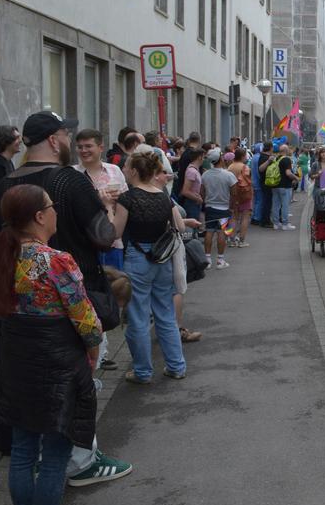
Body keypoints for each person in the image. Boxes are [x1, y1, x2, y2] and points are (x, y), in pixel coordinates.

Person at [0, 111, 133, 488]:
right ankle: (82, 461)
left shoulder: (6, 182)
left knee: (35, 385)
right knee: (79, 383)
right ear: (54, 140)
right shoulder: (69, 180)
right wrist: (116, 207)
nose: (70, 141)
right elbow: (104, 236)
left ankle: (41, 459)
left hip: (20, 305)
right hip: (71, 297)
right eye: (66, 135)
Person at [0, 185, 99, 505]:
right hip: (56, 363)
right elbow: (84, 315)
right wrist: (93, 348)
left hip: (18, 362)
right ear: (39, 216)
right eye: (51, 207)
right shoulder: (56, 260)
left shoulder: (5, 255)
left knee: (23, 450)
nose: (54, 213)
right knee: (55, 450)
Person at [112, 151, 189, 383]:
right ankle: (176, 366)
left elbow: (115, 233)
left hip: (137, 256)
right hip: (163, 257)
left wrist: (107, 207)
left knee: (138, 317)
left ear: (135, 171)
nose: (124, 170)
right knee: (165, 314)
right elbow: (180, 227)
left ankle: (143, 371)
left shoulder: (127, 198)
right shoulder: (163, 196)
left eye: (126, 167)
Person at [74, 129, 128, 270]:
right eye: (80, 147)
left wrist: (120, 198)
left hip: (113, 242)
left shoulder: (115, 170)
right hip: (82, 243)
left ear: (101, 147)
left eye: (88, 146)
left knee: (115, 281)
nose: (84, 151)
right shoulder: (72, 173)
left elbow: (127, 201)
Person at [201, 148, 237, 269]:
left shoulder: (205, 175)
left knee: (209, 231)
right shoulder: (228, 175)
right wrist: (232, 207)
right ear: (221, 158)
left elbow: (202, 192)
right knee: (222, 232)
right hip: (224, 208)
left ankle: (207, 259)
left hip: (210, 207)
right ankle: (220, 260)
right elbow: (234, 193)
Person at [228, 148, 253, 247]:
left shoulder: (230, 167)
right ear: (242, 156)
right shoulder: (245, 167)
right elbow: (248, 181)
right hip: (244, 194)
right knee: (245, 217)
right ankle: (242, 241)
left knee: (233, 217)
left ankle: (231, 239)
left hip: (233, 194)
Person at [270, 144, 298, 230]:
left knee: (276, 205)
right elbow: (288, 173)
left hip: (275, 184)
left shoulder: (276, 159)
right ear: (286, 150)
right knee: (285, 205)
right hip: (285, 185)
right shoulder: (286, 159)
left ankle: (276, 223)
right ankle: (285, 224)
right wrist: (296, 178)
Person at [178, 146, 206, 224]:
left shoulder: (194, 170)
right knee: (192, 226)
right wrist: (198, 199)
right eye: (203, 157)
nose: (204, 160)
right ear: (200, 157)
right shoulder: (192, 171)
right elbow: (185, 191)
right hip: (191, 203)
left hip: (194, 202)